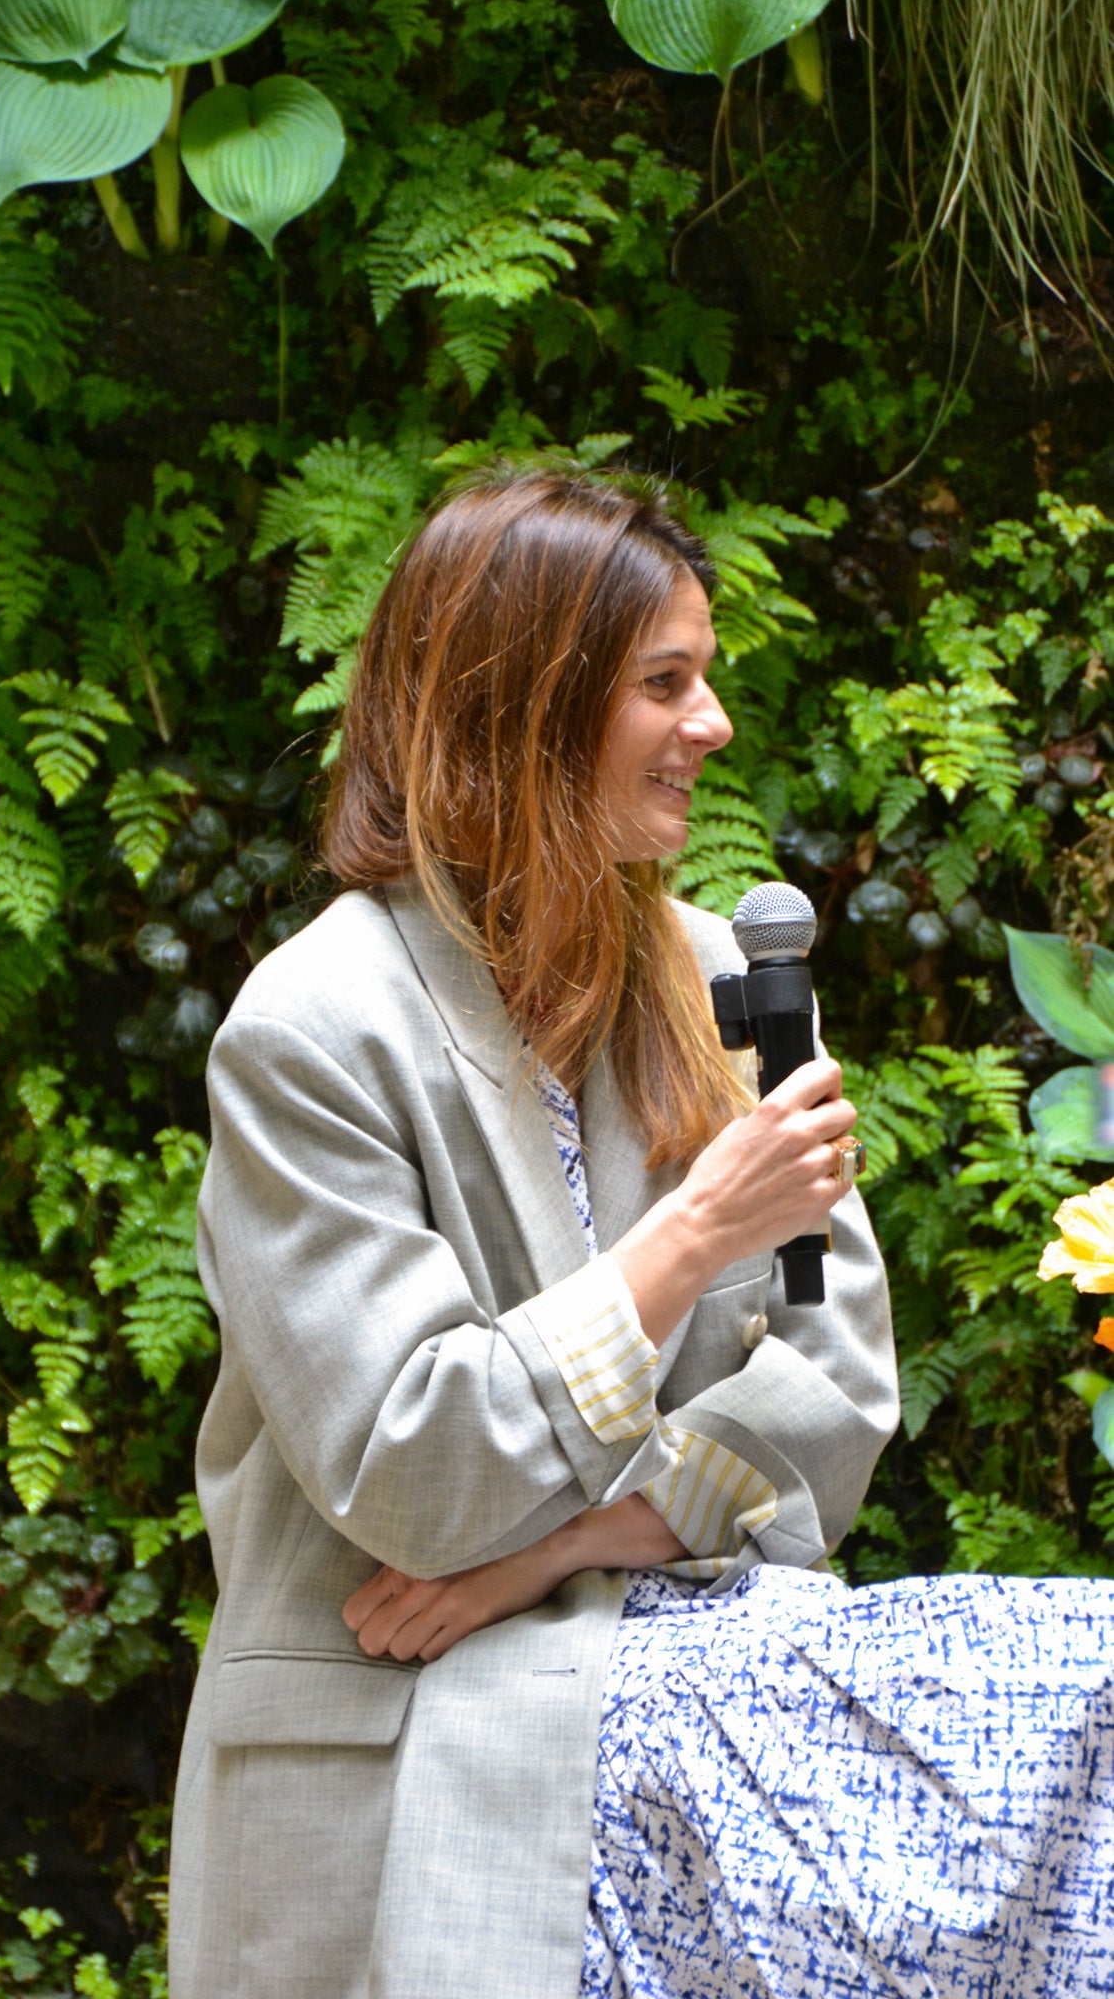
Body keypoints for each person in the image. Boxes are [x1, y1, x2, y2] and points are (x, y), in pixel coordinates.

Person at [167, 469, 1114, 1999]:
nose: (714, 724)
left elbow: (834, 1386)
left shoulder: (713, 972)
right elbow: (412, 1468)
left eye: (707, 678)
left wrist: (573, 1542)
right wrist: (694, 1235)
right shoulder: (314, 1033)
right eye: (663, 683)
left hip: (684, 1663)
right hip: (439, 1731)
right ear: (519, 709)